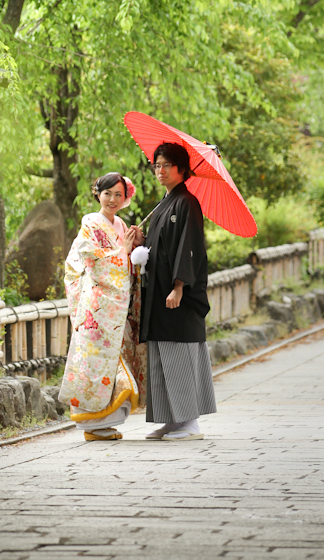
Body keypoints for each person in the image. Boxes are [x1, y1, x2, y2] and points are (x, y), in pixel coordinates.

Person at [131, 142, 217, 441]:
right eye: (157, 165)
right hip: (159, 294)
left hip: (178, 296)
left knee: (180, 355)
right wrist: (142, 241)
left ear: (182, 169)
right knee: (162, 355)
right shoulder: (164, 204)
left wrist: (179, 286)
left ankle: (189, 422)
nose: (160, 170)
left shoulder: (187, 203)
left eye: (167, 165)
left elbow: (189, 248)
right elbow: (162, 248)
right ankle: (171, 420)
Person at [58, 172, 140, 441]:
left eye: (118, 194)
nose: (113, 200)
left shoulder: (120, 225)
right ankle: (92, 424)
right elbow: (91, 259)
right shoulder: (90, 223)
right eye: (108, 194)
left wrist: (135, 246)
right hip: (97, 306)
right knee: (95, 363)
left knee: (114, 361)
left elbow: (127, 263)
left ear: (125, 197)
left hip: (115, 307)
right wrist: (123, 252)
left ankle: (104, 423)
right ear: (98, 194)